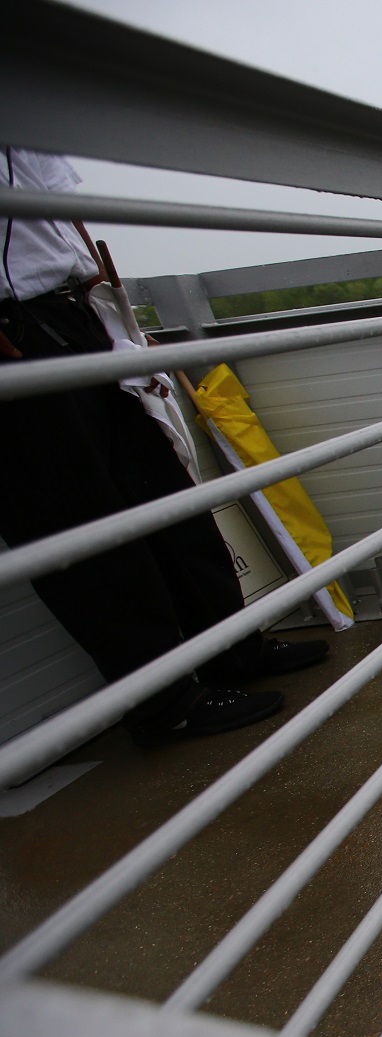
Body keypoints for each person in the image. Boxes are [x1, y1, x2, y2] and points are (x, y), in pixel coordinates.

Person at [0, 147, 327, 750]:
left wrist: (115, 313)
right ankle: (163, 703)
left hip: (79, 313)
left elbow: (60, 213)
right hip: (14, 332)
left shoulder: (19, 111)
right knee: (79, 526)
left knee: (167, 495)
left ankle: (231, 649)